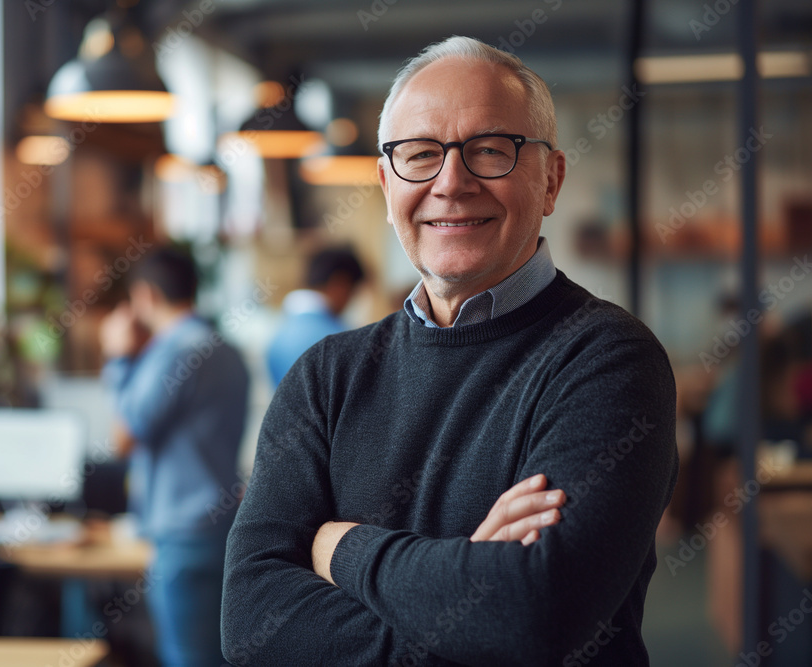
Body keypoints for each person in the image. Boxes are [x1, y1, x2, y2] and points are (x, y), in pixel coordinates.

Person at [222, 36, 679, 666]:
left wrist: (341, 548)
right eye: (420, 154)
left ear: (551, 179)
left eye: (491, 150)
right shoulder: (326, 377)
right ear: (386, 186)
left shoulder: (608, 360)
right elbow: (251, 624)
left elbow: (533, 614)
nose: (451, 182)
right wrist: (466, 599)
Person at [100, 246, 250, 666]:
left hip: (183, 532)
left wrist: (117, 356)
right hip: (222, 525)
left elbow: (123, 437)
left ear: (145, 296)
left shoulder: (172, 351)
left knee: (186, 657)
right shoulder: (227, 349)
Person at [265, 246, 365, 386]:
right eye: (353, 294)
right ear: (340, 284)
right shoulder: (343, 337)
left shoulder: (278, 335)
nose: (350, 302)